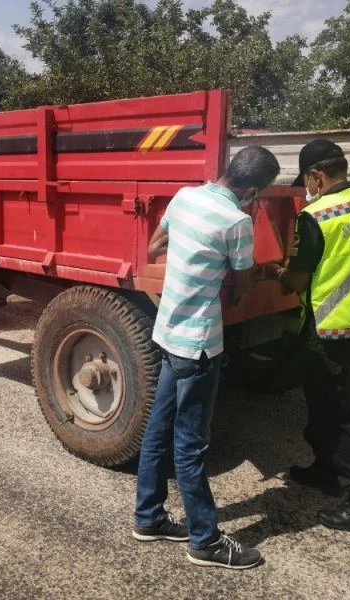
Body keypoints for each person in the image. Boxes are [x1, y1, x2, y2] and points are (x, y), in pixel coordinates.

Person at [133, 146, 280, 569]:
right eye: (259, 195)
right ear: (252, 190)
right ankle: (206, 541)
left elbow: (155, 245)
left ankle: (149, 518)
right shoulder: (236, 221)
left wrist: (190, 254)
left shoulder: (184, 197)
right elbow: (244, 281)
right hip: (198, 344)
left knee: (158, 431)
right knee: (190, 444)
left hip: (168, 331)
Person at [263, 138, 350, 531]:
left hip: (331, 325)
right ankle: (325, 470)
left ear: (316, 175)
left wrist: (274, 272)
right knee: (321, 401)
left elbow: (298, 280)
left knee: (338, 414)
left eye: (306, 181)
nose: (307, 189)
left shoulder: (316, 216)